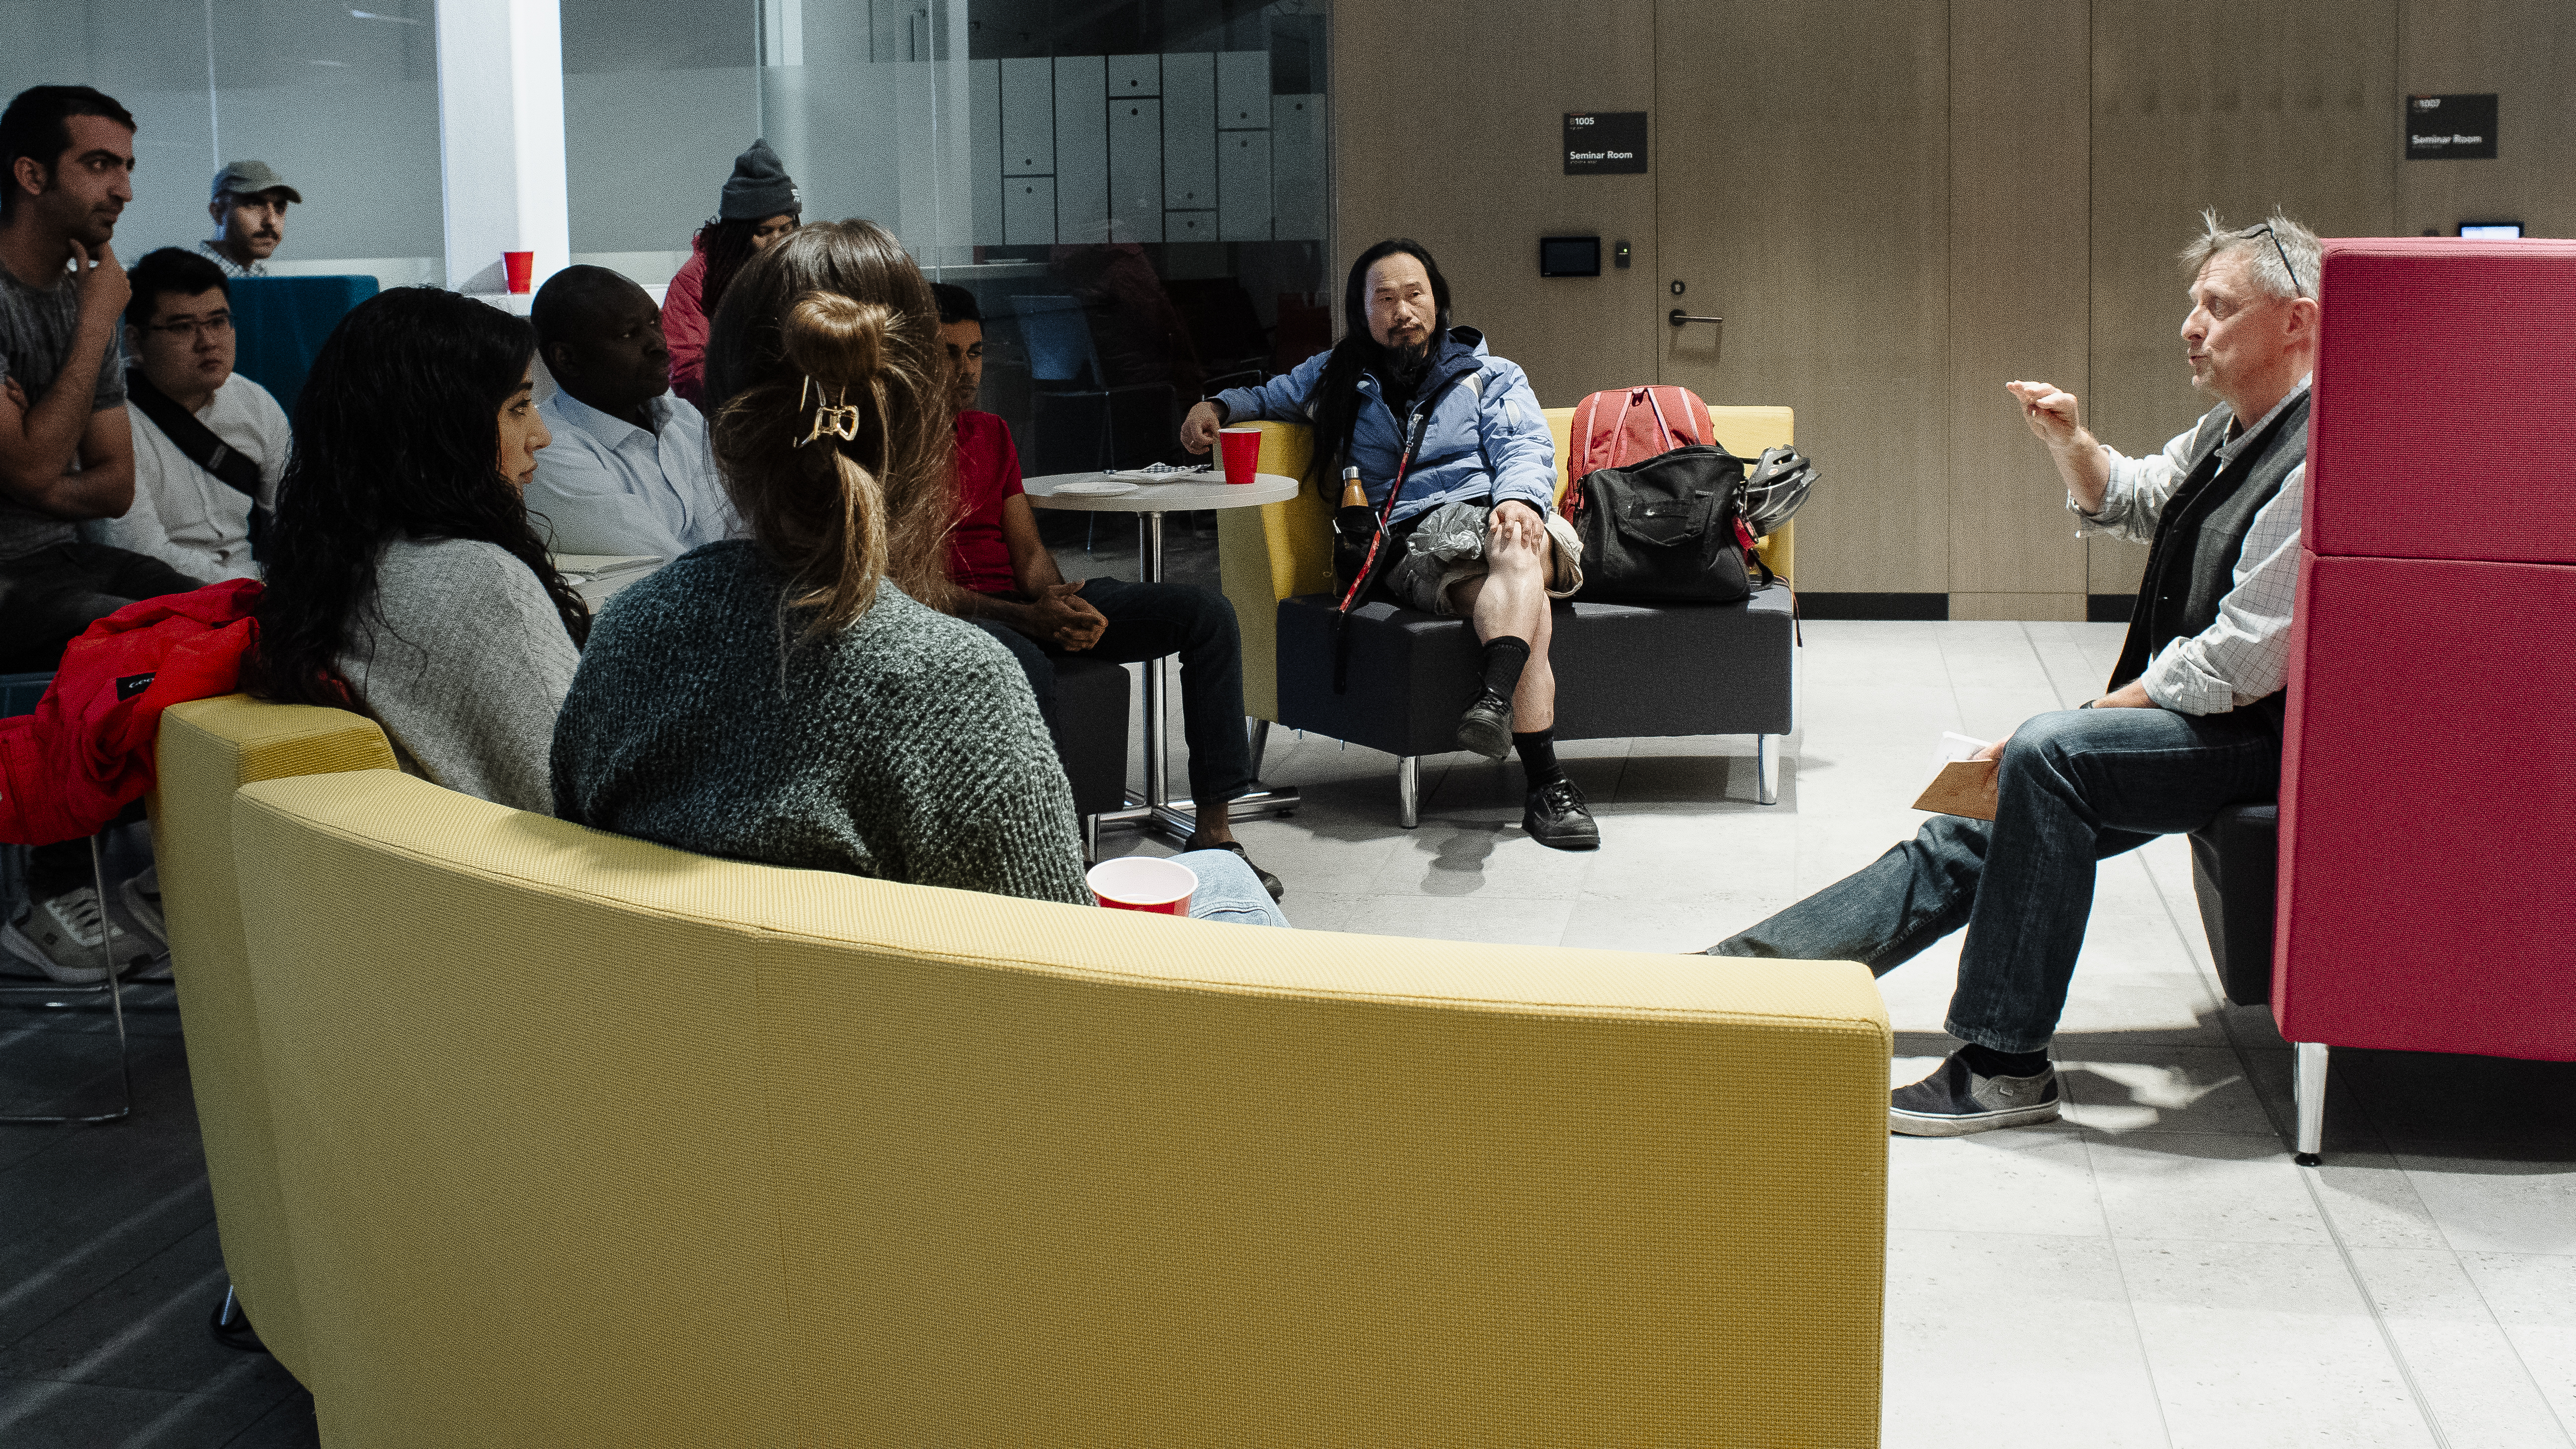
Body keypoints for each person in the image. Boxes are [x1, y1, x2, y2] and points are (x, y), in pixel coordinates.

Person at [1704, 212, 2324, 1137]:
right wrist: (2066, 440)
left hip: (2255, 739)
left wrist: (2088, 716)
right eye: (2191, 303)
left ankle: (2003, 1064)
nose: (2189, 326)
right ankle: (1736, 976)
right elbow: (2132, 495)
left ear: (2294, 321)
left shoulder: (2315, 455)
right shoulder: (2235, 429)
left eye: (2216, 307)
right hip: (2210, 718)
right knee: (1973, 828)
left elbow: (2240, 658)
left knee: (2047, 756)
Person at [552, 221, 1285, 928]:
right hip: (898, 1043)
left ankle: (1213, 823)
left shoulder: (625, 638)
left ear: (724, 428)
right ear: (919, 425)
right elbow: (1053, 972)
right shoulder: (956, 684)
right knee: (1229, 896)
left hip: (682, 1035)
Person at [1184, 238, 1594, 850]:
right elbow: (1267, 396)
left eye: (1415, 295)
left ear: (1438, 301)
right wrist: (1214, 405)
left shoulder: (1491, 374)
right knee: (1527, 596)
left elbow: (1524, 447)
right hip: (1412, 537)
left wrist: (1516, 498)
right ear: (1363, 311)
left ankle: (1494, 700)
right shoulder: (1337, 376)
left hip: (1496, 516)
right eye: (1386, 299)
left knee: (1518, 544)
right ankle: (1546, 786)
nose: (1403, 311)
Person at [933, 282, 1280, 898]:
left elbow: (1030, 553)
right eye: (947, 354)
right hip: (962, 619)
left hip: (1022, 603)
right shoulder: (886, 447)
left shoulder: (989, 433)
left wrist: (1056, 601)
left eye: (976, 352)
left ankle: (1215, 835)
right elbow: (910, 586)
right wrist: (1032, 620)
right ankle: (1054, 854)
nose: (966, 371)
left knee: (1207, 614)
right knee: (1029, 661)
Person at [248, 287, 589, 814]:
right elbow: (588, 797)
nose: (541, 435)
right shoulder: (479, 580)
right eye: (519, 406)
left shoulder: (339, 566)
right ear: (441, 429)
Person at [0, 85, 196, 982]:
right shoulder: (71, 303)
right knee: (104, 639)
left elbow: (111, 484)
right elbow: (38, 472)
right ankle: (51, 891)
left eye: (126, 167)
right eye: (98, 164)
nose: (120, 188)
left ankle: (165, 871)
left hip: (54, 557)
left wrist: (41, 472)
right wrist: (93, 327)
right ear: (32, 175)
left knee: (218, 623)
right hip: (11, 582)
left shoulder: (91, 292)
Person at [81, 246, 289, 582]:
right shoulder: (108, 417)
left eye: (219, 322)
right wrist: (251, 589)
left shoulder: (256, 403)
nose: (208, 342)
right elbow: (138, 551)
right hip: (162, 601)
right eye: (182, 328)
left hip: (258, 589)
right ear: (135, 341)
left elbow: (296, 518)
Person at [524, 264, 733, 561]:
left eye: (655, 322)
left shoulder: (682, 416)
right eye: (629, 335)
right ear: (567, 359)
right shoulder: (548, 452)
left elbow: (741, 524)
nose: (660, 344)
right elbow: (667, 571)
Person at [661, 140, 800, 409]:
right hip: (735, 415)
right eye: (764, 232)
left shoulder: (809, 265)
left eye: (786, 229)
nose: (778, 241)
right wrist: (748, 403)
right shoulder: (696, 279)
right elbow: (688, 368)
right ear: (738, 235)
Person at [197, 160, 298, 279]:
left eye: (279, 208)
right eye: (254, 204)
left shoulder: (260, 275)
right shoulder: (189, 281)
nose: (272, 221)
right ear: (218, 212)